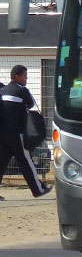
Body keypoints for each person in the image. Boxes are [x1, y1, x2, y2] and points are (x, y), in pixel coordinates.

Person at [0, 65, 52, 198]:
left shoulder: (3, 90)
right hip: (17, 134)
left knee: (1, 162)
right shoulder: (22, 90)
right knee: (26, 162)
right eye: (24, 75)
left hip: (3, 134)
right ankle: (38, 190)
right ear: (16, 76)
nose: (26, 78)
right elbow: (31, 104)